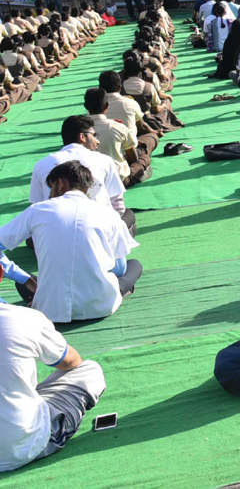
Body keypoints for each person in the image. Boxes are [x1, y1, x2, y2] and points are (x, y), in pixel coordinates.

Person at [0, 161, 141, 323]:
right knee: (134, 265)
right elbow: (119, 268)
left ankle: (43, 293)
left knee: (26, 281)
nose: (50, 196)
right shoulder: (107, 213)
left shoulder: (37, 210)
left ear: (60, 183)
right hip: (100, 306)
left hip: (50, 310)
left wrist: (24, 278)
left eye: (50, 189)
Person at [0, 303, 106, 473]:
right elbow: (71, 362)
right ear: (1, 274)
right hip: (20, 448)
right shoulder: (23, 318)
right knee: (89, 370)